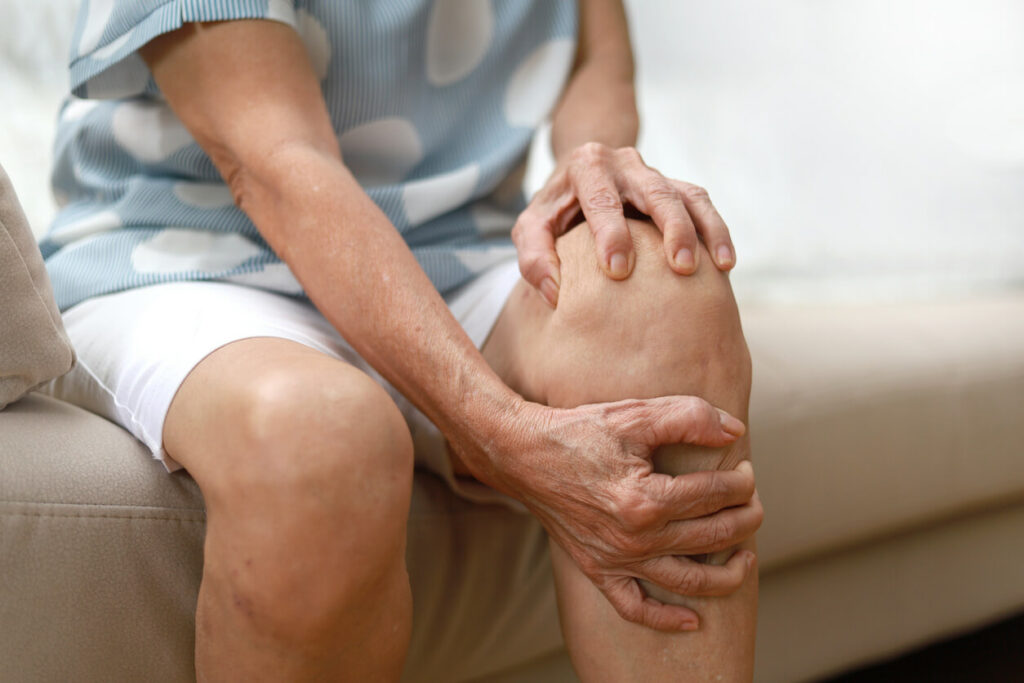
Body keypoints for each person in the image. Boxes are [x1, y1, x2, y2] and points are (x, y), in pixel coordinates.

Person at [40, 0, 763, 680]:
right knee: (322, 436)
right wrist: (508, 436)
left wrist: (593, 159)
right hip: (191, 256)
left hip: (455, 250)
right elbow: (275, 164)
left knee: (663, 292)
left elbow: (595, 57)